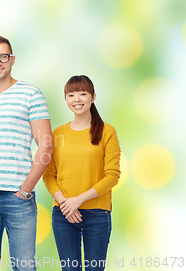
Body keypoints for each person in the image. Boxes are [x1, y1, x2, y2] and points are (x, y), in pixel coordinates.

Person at [0, 35, 53, 271]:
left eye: (3, 56)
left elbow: (46, 145)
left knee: (24, 267)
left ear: (12, 59)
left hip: (18, 197)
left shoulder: (31, 95)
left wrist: (25, 190)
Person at [43, 75, 120, 271]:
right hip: (63, 214)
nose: (76, 99)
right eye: (71, 95)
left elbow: (112, 176)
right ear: (66, 99)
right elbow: (49, 175)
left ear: (93, 97)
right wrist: (65, 203)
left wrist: (78, 200)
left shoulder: (107, 131)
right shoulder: (57, 133)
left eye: (82, 94)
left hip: (97, 214)